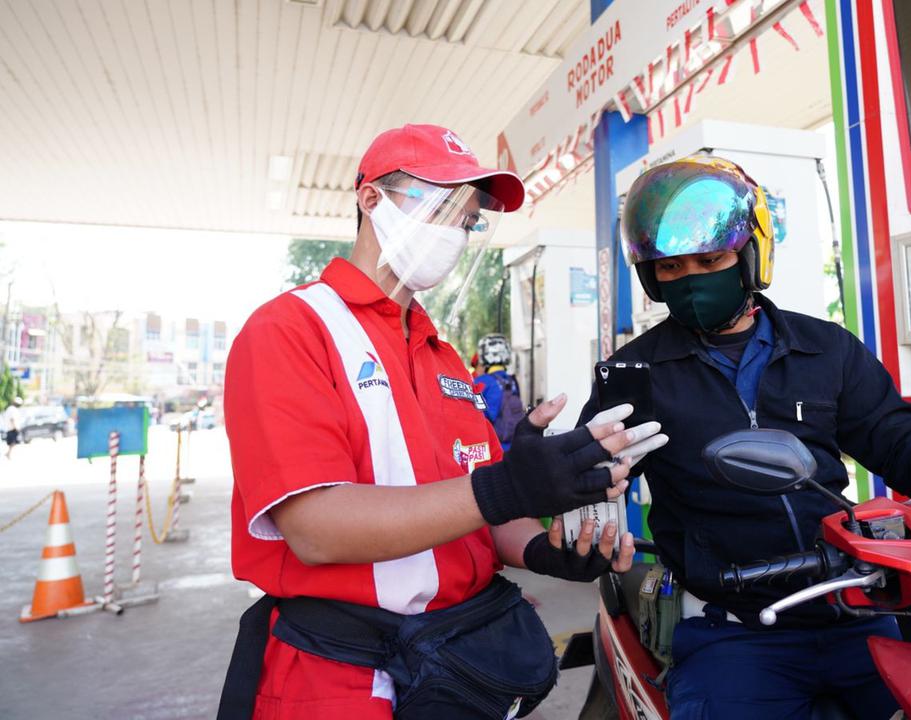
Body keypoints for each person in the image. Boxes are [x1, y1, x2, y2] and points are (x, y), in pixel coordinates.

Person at [218, 124, 665, 720]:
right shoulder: (290, 331)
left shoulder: (440, 353)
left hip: (455, 667)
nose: (456, 228)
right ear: (370, 198)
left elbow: (478, 510)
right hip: (343, 678)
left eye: (468, 218)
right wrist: (508, 487)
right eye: (441, 205)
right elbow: (316, 528)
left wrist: (544, 549)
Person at [577, 156, 911, 719]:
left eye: (710, 259)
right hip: (734, 629)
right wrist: (582, 489)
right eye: (671, 269)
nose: (692, 280)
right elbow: (589, 475)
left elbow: (890, 430)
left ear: (749, 256)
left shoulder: (827, 348)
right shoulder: (635, 373)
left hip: (853, 605)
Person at [473, 334, 523, 450]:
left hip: (492, 448)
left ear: (484, 355)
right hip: (512, 446)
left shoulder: (481, 382)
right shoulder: (513, 381)